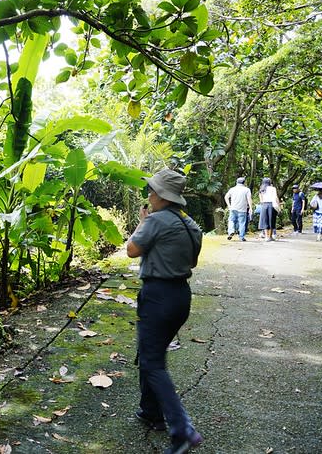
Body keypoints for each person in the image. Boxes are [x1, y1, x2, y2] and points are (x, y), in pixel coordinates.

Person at [128, 169, 203, 454]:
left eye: (152, 191)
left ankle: (182, 430)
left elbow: (132, 250)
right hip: (180, 296)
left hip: (158, 295)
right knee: (151, 352)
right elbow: (192, 262)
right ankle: (151, 412)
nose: (149, 195)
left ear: (161, 197)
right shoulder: (190, 224)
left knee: (152, 363)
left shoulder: (156, 221)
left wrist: (141, 225)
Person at [224, 177, 253, 242]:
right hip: (242, 209)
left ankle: (231, 231)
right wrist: (250, 208)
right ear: (244, 182)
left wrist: (229, 205)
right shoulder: (247, 190)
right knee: (242, 223)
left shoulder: (232, 189)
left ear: (237, 182)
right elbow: (249, 199)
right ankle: (241, 237)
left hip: (233, 208)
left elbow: (226, 197)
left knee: (231, 220)